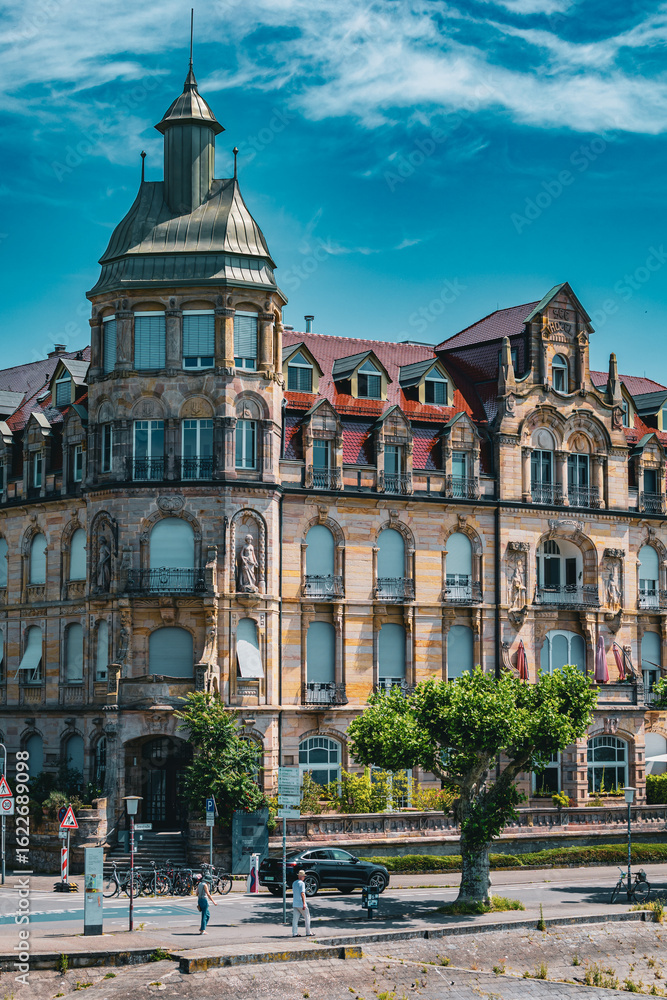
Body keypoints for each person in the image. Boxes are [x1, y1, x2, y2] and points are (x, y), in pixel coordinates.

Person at [291, 869, 312, 937]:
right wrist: (304, 903)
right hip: (300, 903)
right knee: (307, 917)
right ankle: (308, 932)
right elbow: (302, 893)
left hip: (295, 903)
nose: (304, 877)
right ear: (301, 876)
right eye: (304, 876)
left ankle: (294, 933)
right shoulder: (302, 883)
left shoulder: (294, 883)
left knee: (295, 919)